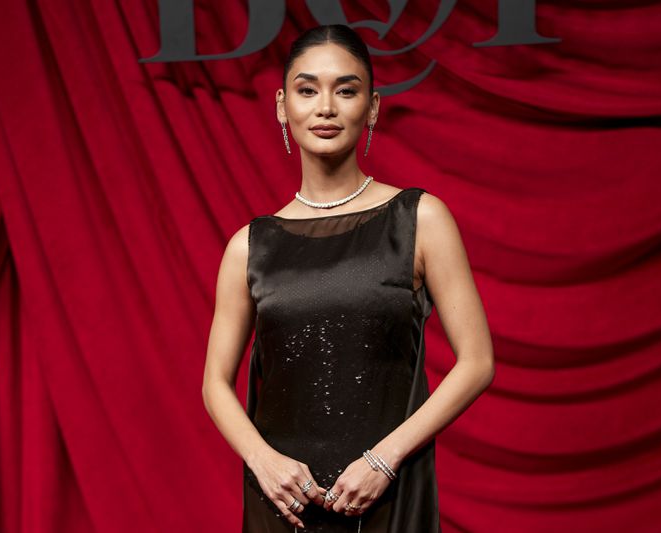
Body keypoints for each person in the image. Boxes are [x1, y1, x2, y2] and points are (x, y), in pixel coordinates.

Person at [202, 24, 495, 532]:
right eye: (308, 89)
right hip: (283, 500)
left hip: (386, 489)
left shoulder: (420, 219)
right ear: (282, 104)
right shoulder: (250, 246)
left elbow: (477, 362)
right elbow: (214, 383)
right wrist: (262, 460)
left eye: (346, 90)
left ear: (373, 107)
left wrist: (385, 459)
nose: (326, 108)